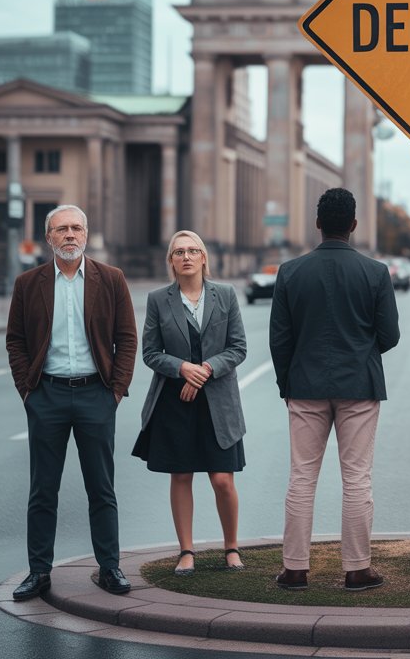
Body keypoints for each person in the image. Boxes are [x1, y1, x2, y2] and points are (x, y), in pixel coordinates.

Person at [269, 188, 400, 591]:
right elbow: (390, 335)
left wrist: (286, 383)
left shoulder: (290, 272)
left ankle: (294, 569)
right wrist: (360, 351)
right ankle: (357, 569)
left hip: (305, 385)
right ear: (354, 226)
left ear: (318, 224)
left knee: (301, 478)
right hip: (358, 385)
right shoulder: (375, 272)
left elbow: (280, 339)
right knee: (357, 478)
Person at [5, 205, 138, 600]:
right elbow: (15, 340)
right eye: (61, 229)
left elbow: (126, 338)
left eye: (76, 228)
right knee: (42, 490)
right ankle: (38, 571)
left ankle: (110, 567)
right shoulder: (28, 283)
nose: (69, 235)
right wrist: (27, 390)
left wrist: (115, 391)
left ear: (86, 234)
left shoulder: (110, 279)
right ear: (48, 237)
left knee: (102, 488)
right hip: (46, 395)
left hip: (96, 394)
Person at [134, 231, 248, 575]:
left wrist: (207, 369)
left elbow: (238, 348)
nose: (186, 256)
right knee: (181, 475)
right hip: (175, 400)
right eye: (179, 251)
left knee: (222, 479)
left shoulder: (226, 295)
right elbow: (151, 353)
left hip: (218, 401)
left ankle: (231, 547)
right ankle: (186, 550)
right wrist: (182, 368)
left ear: (203, 258)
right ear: (171, 261)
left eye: (193, 250)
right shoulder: (158, 299)